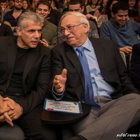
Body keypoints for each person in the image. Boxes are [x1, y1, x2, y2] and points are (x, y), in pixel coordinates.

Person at [51, 11, 140, 140]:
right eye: (63, 29)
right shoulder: (58, 52)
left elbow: (124, 78)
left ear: (85, 27)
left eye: (70, 28)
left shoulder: (107, 46)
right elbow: (56, 84)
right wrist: (58, 88)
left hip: (112, 102)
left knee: (136, 99)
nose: (65, 33)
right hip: (84, 107)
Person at [0, 11, 56, 140]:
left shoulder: (45, 53)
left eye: (39, 31)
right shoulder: (2, 45)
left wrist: (21, 107)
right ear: (19, 31)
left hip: (27, 100)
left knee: (46, 136)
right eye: (31, 31)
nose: (37, 36)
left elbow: (42, 89)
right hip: (1, 96)